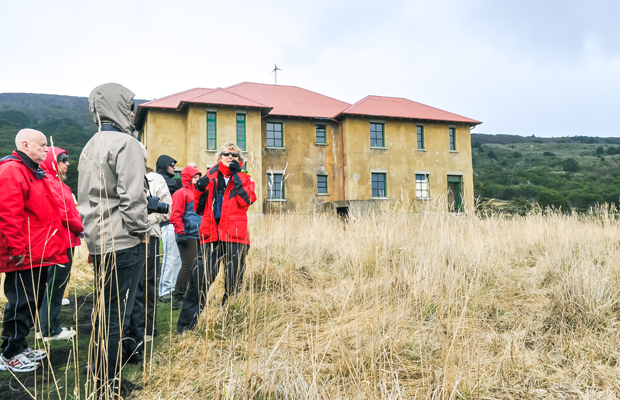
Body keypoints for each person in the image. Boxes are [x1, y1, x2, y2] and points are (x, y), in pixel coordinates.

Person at [78, 83, 150, 396]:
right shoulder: (127, 144)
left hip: (99, 241)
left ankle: (102, 375)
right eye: (131, 105)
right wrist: (143, 230)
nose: (134, 112)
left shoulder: (90, 145)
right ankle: (109, 384)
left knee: (104, 311)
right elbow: (132, 198)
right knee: (117, 314)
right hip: (124, 240)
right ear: (120, 107)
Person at [0, 129, 67, 372]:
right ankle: (10, 352)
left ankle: (19, 345)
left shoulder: (32, 171)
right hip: (23, 253)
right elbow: (9, 213)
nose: (46, 150)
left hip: (37, 249)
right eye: (42, 145)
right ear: (25, 145)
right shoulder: (12, 170)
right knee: (20, 302)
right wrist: (17, 248)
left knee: (31, 302)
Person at [177, 143, 256, 333]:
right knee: (199, 281)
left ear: (240, 159)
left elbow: (246, 201)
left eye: (234, 154)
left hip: (235, 237)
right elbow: (198, 209)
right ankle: (186, 328)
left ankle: (230, 326)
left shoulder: (246, 179)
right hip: (211, 236)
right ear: (219, 158)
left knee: (234, 283)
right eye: (226, 154)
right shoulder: (209, 178)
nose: (230, 157)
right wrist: (199, 191)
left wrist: (237, 177)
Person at [124, 164, 171, 364]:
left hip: (149, 236)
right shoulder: (122, 177)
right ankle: (132, 331)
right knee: (131, 286)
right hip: (126, 237)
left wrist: (147, 220)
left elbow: (166, 208)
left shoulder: (156, 179)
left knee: (148, 281)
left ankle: (148, 327)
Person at [37, 147, 82, 342]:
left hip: (65, 240)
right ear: (52, 161)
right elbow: (63, 213)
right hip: (59, 242)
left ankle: (44, 325)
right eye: (63, 159)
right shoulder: (50, 184)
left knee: (54, 285)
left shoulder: (60, 185)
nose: (67, 163)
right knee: (55, 285)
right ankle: (49, 329)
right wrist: (81, 227)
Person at [169, 165, 202, 310]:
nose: (197, 179)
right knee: (189, 265)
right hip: (186, 234)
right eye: (195, 177)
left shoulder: (200, 193)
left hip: (200, 235)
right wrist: (180, 231)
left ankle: (193, 295)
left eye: (199, 177)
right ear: (188, 178)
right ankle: (177, 297)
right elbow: (175, 214)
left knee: (199, 266)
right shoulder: (181, 193)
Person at [156, 155, 182, 302]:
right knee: (171, 256)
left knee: (176, 257)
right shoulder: (161, 180)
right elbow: (176, 185)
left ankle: (171, 288)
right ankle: (165, 290)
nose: (174, 167)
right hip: (167, 223)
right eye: (171, 165)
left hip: (174, 222)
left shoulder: (167, 180)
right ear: (164, 165)